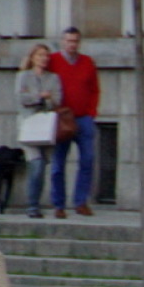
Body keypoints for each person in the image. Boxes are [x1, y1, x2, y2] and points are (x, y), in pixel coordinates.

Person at [47, 27, 100, 219]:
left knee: (87, 159)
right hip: (62, 118)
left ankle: (81, 201)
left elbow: (95, 89)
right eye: (68, 41)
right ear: (62, 42)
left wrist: (92, 112)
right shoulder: (53, 61)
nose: (72, 44)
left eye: (75, 41)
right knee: (58, 164)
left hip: (83, 117)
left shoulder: (87, 62)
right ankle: (59, 204)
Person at [15, 43, 62, 219]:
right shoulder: (23, 76)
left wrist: (46, 99)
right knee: (36, 164)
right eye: (40, 55)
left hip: (46, 127)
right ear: (33, 57)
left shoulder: (53, 78)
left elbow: (56, 100)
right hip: (28, 125)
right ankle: (32, 205)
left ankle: (37, 202)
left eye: (46, 56)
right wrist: (40, 96)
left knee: (43, 166)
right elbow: (21, 99)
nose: (43, 59)